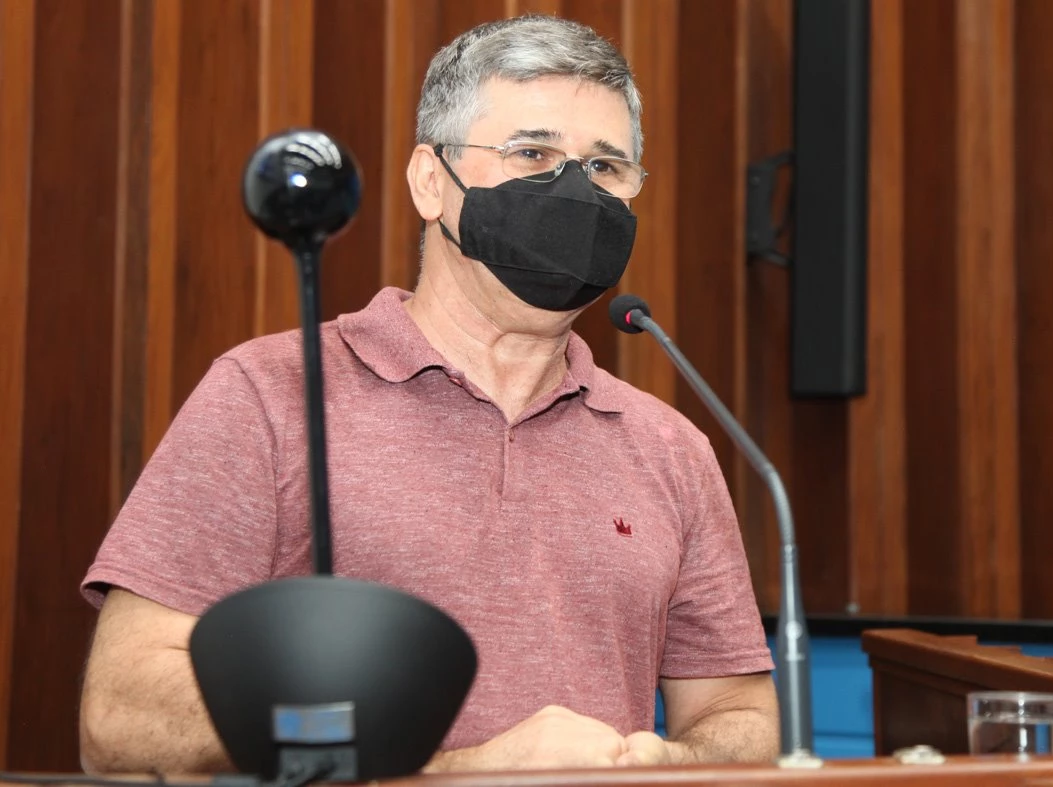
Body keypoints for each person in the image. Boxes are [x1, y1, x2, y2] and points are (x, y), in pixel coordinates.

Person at [78, 14, 777, 774]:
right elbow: (122, 717)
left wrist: (666, 760)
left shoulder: (670, 447)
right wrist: (453, 771)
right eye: (532, 154)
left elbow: (739, 715)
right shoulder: (270, 396)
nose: (576, 191)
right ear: (430, 181)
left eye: (606, 167)